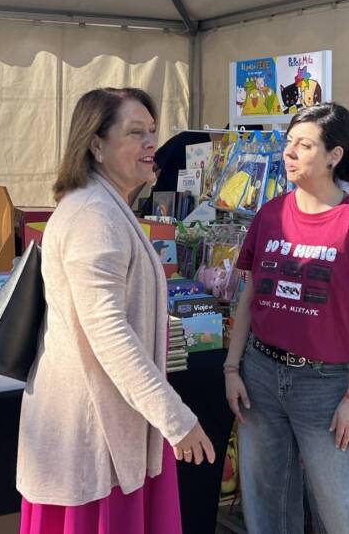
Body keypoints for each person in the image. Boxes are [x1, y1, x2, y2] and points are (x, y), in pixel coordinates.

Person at [17, 87, 216, 534]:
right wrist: (176, 419)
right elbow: (109, 333)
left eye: (152, 131)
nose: (151, 143)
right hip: (94, 428)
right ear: (96, 144)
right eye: (135, 132)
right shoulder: (94, 215)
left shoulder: (104, 206)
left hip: (106, 421)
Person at [223, 103, 349, 534]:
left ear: (334, 156)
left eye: (304, 144)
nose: (290, 153)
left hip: (324, 386)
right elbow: (249, 296)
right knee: (266, 508)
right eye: (288, 143)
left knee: (340, 513)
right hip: (259, 374)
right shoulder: (270, 214)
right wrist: (232, 367)